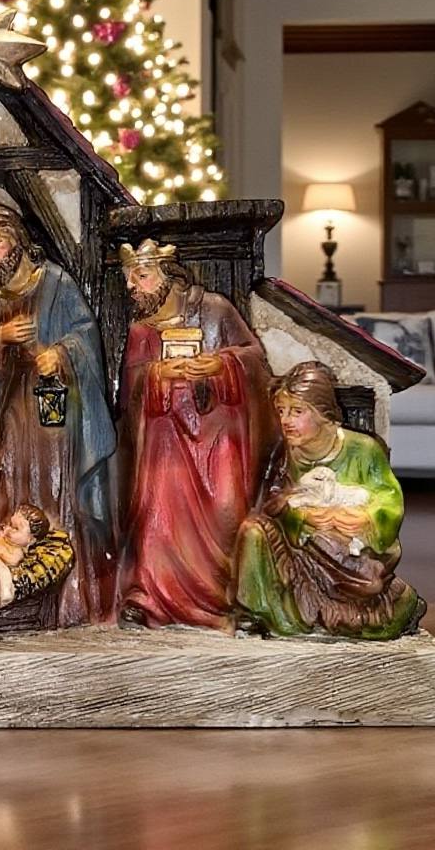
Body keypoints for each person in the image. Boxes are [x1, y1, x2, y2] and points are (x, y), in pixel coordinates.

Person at [0, 204, 115, 626]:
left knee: (54, 488)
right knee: (3, 478)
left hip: (53, 419)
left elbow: (85, 335)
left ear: (16, 240)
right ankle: (4, 590)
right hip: (10, 413)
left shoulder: (56, 284)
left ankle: (63, 597)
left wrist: (60, 355)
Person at [117, 239, 276, 631]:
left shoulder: (214, 309)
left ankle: (227, 597)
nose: (132, 287)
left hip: (218, 436)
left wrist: (220, 366)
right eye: (128, 279)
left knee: (226, 510)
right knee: (159, 518)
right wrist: (157, 374)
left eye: (141, 276)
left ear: (170, 277)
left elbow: (254, 358)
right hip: (164, 440)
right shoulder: (141, 331)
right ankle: (150, 597)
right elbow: (129, 391)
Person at [233, 361, 423, 640]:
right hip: (300, 548)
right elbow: (270, 502)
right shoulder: (281, 453)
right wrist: (303, 517)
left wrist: (365, 518)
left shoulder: (363, 450)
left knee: (369, 582)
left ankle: (375, 607)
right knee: (251, 531)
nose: (286, 420)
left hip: (348, 552)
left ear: (323, 413)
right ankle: (263, 616)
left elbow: (389, 499)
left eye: (297, 411)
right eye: (281, 411)